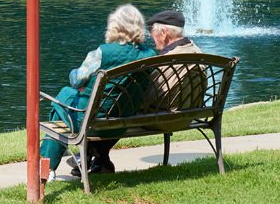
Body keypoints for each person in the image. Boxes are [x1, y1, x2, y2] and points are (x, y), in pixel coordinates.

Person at [77, 9, 200, 177]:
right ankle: (98, 160)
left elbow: (144, 97)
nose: (151, 37)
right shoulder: (195, 51)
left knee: (123, 106)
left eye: (152, 32)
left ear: (163, 33)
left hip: (165, 119)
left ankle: (89, 156)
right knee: (124, 106)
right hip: (187, 116)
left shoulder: (167, 61)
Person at [40, 3, 151, 183]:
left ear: (116, 26)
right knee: (69, 101)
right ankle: (101, 162)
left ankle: (47, 167)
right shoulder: (149, 54)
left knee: (63, 100)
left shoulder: (103, 52)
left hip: (92, 118)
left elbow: (77, 80)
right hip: (121, 120)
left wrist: (73, 73)